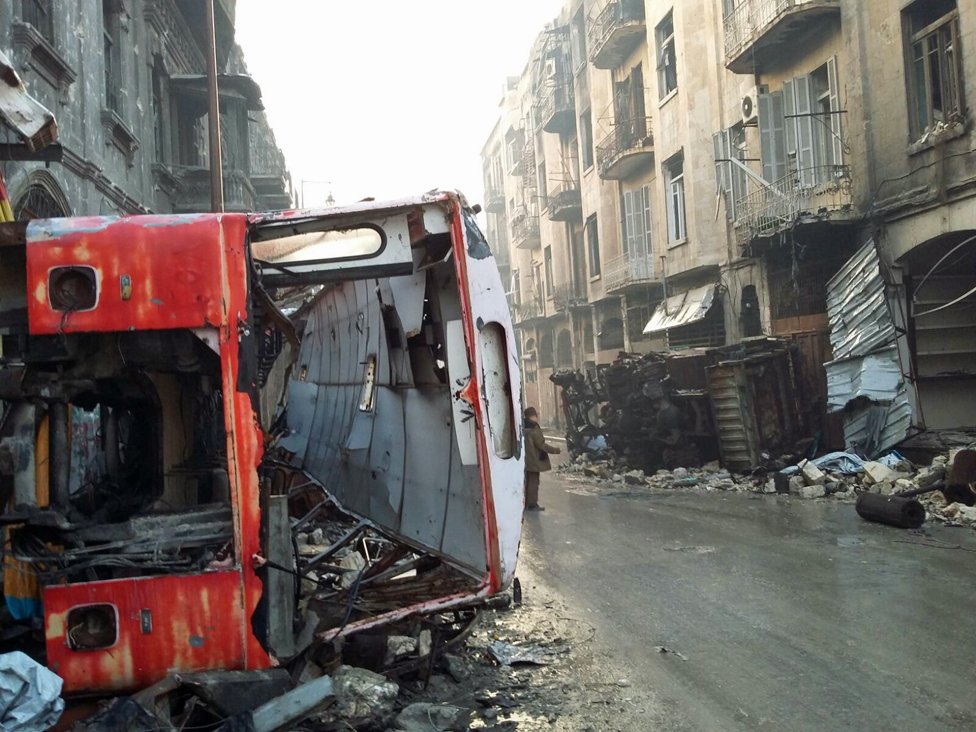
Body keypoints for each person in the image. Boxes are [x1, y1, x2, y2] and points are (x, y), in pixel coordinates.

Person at [523, 407, 561, 511]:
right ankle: (532, 504)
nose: (537, 417)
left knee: (528, 481)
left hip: (526, 459)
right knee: (534, 483)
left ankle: (526, 503)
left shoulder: (523, 426)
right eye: (536, 415)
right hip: (534, 459)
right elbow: (541, 444)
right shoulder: (534, 428)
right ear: (533, 416)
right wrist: (555, 450)